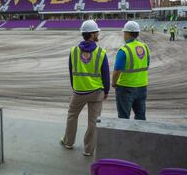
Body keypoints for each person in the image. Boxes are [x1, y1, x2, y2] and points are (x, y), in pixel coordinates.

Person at [61, 20, 110, 156]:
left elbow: (71, 73)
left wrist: (75, 87)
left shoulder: (74, 51)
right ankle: (88, 150)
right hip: (96, 92)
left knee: (72, 116)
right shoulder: (101, 53)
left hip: (79, 92)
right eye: (97, 32)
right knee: (93, 121)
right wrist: (106, 91)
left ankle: (68, 142)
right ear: (92, 34)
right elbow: (105, 75)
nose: (98, 34)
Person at [112, 21, 150, 120]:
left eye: (124, 32)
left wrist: (114, 83)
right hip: (142, 86)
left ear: (128, 33)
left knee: (124, 117)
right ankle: (140, 135)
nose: (124, 35)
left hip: (126, 87)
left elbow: (117, 71)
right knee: (141, 116)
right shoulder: (145, 47)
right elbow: (147, 64)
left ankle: (124, 136)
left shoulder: (124, 50)